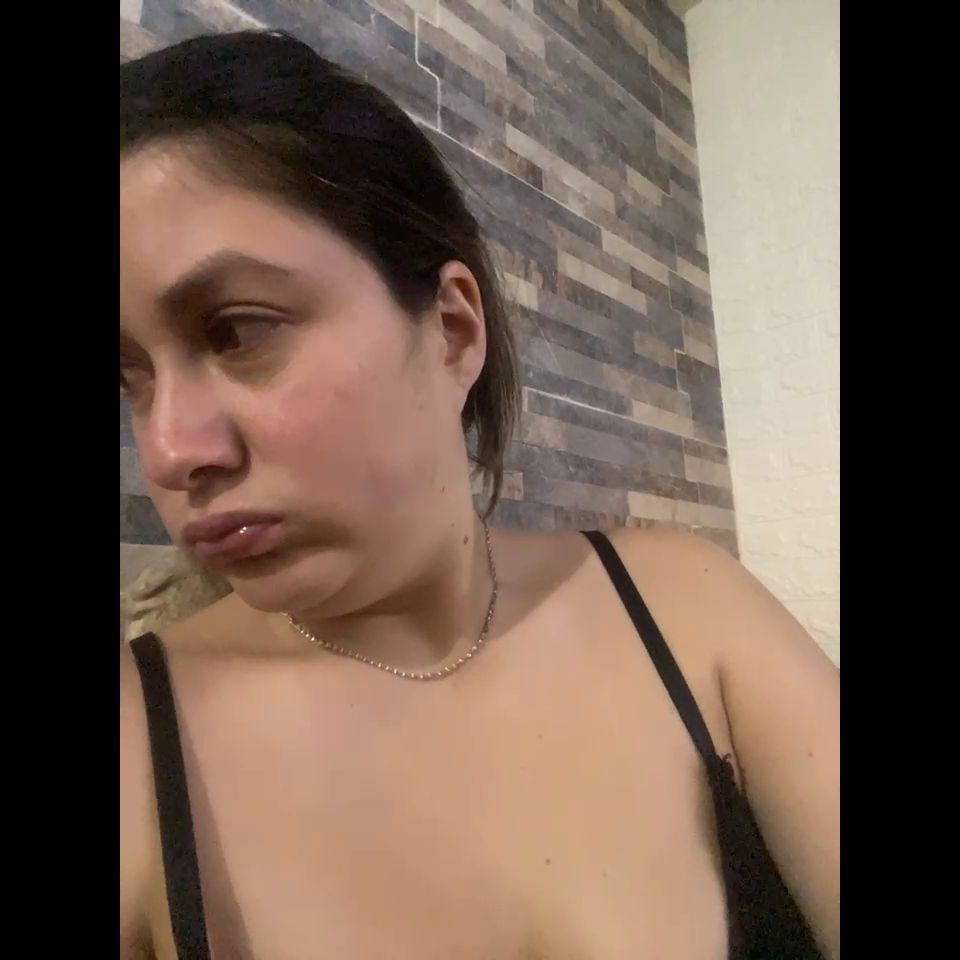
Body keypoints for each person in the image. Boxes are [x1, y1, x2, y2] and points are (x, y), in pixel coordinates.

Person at [119, 31, 839, 960]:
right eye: (129, 379)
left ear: (454, 331)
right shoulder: (137, 742)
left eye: (238, 330)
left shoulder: (691, 611)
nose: (172, 450)